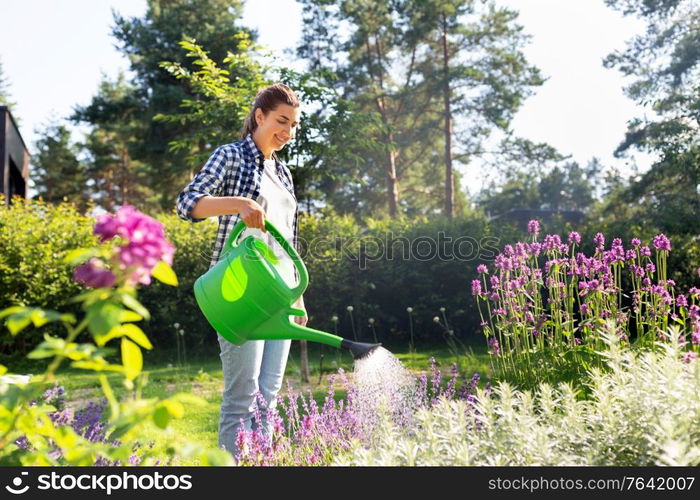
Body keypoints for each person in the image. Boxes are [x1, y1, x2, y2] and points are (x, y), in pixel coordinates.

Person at [176, 83, 305, 457]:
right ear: (259, 116)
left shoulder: (283, 173)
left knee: (268, 398)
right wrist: (239, 203)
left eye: (294, 125)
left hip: (282, 293)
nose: (288, 132)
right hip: (240, 290)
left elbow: (288, 243)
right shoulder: (230, 156)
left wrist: (299, 295)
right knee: (241, 399)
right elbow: (187, 203)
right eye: (282, 121)